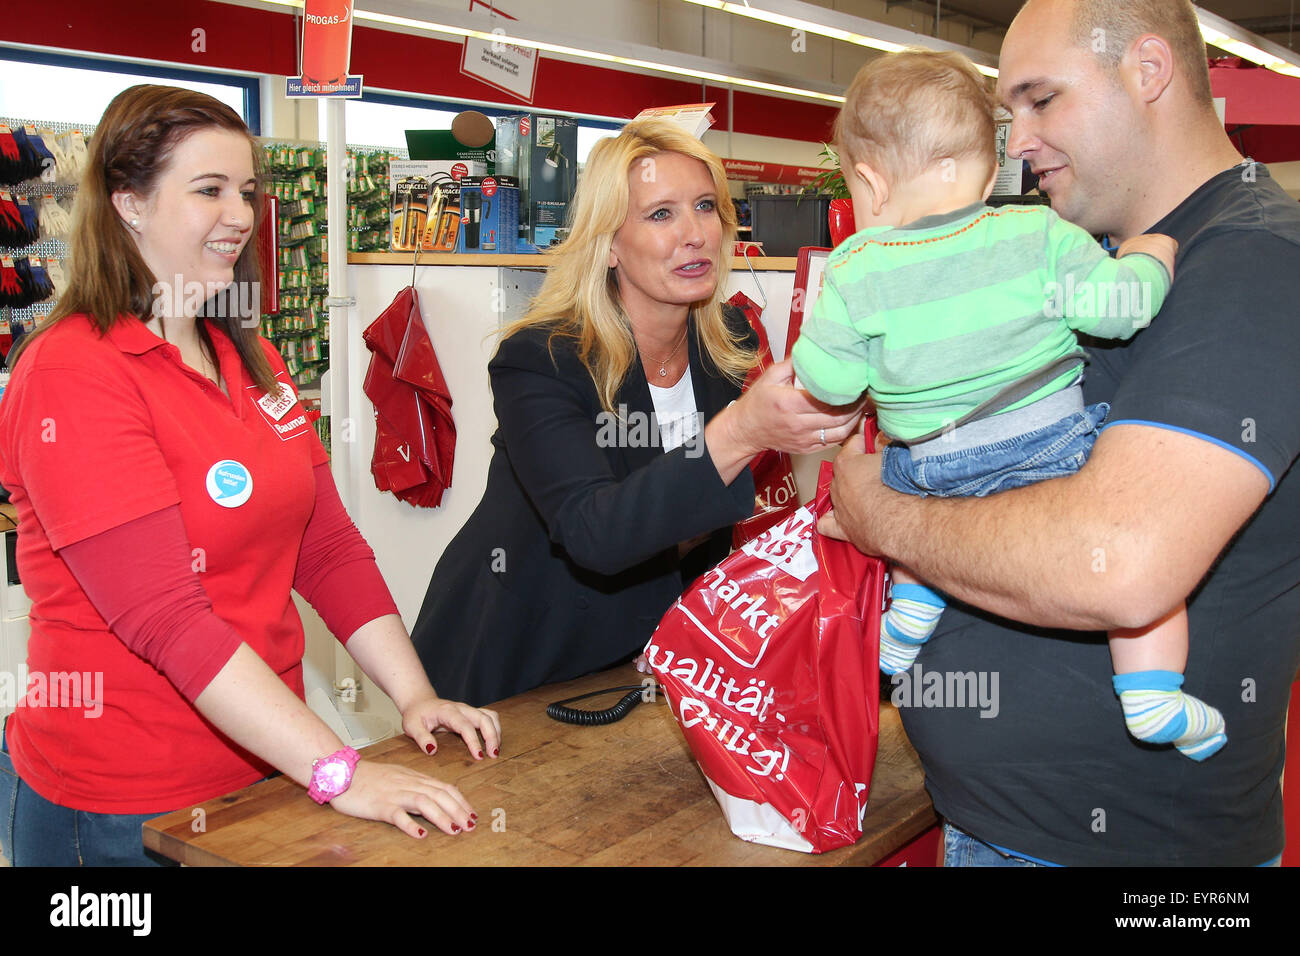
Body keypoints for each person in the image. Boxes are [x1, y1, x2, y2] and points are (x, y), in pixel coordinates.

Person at [821, 0, 1300, 866]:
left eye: (1042, 101)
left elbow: (1117, 565)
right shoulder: (1081, 251)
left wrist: (880, 516)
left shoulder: (1256, 264)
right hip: (1000, 828)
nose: (1018, 143)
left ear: (1148, 72)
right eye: (1010, 116)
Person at [0, 85, 500, 867]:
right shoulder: (74, 371)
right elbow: (167, 615)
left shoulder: (248, 358)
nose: (240, 213)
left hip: (263, 769)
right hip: (122, 807)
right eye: (209, 190)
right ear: (128, 202)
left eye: (247, 190)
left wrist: (416, 695)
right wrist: (339, 770)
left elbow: (327, 548)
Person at [791, 48, 1227, 763]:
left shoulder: (854, 269)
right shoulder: (1037, 234)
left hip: (926, 469)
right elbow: (1121, 312)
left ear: (868, 183)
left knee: (920, 503)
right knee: (1153, 589)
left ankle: (908, 619)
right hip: (1046, 454)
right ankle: (1152, 691)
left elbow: (831, 386)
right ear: (993, 172)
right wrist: (1152, 255)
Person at [410, 118, 863, 707]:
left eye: (705, 207)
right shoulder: (540, 360)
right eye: (660, 214)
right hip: (509, 660)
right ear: (607, 244)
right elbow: (594, 530)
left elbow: (696, 521)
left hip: (630, 663)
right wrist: (742, 431)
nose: (695, 233)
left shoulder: (728, 342)